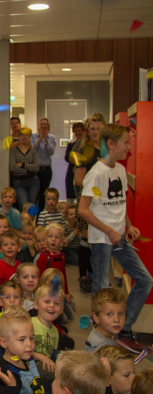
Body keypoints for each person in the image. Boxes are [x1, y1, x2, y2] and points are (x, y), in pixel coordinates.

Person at [78, 123, 153, 353]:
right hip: (102, 240)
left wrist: (129, 226)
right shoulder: (96, 173)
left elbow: (118, 205)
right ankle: (101, 338)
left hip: (120, 238)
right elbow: (83, 209)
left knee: (145, 280)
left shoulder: (119, 170)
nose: (129, 147)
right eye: (126, 143)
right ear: (111, 144)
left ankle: (123, 329)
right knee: (101, 290)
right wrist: (108, 230)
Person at [73, 113, 106, 290]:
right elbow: (79, 180)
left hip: (105, 201)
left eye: (98, 128)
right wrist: (97, 189)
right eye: (92, 129)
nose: (95, 132)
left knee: (99, 240)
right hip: (88, 200)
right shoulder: (84, 150)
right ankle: (83, 278)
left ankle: (96, 276)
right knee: (86, 240)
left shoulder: (109, 149)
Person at [9, 127, 40, 210]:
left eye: (26, 136)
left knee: (32, 208)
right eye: (22, 135)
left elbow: (36, 168)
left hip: (33, 182)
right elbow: (12, 168)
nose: (24, 137)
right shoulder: (13, 151)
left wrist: (22, 165)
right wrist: (29, 169)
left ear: (29, 137)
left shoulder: (33, 152)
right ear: (19, 137)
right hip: (19, 182)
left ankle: (31, 223)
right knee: (24, 207)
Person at [31, 117, 56, 211]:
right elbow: (33, 150)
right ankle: (32, 217)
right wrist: (40, 138)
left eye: (45, 124)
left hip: (47, 170)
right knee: (35, 194)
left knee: (43, 195)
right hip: (36, 169)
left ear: (48, 126)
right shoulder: (33, 136)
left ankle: (40, 217)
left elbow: (51, 152)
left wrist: (46, 140)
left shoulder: (52, 138)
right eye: (42, 124)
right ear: (38, 126)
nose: (43, 126)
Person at [64, 122, 85, 203]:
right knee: (70, 198)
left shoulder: (87, 144)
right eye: (76, 130)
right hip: (71, 173)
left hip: (83, 173)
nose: (78, 132)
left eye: (79, 130)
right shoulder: (71, 145)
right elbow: (67, 158)